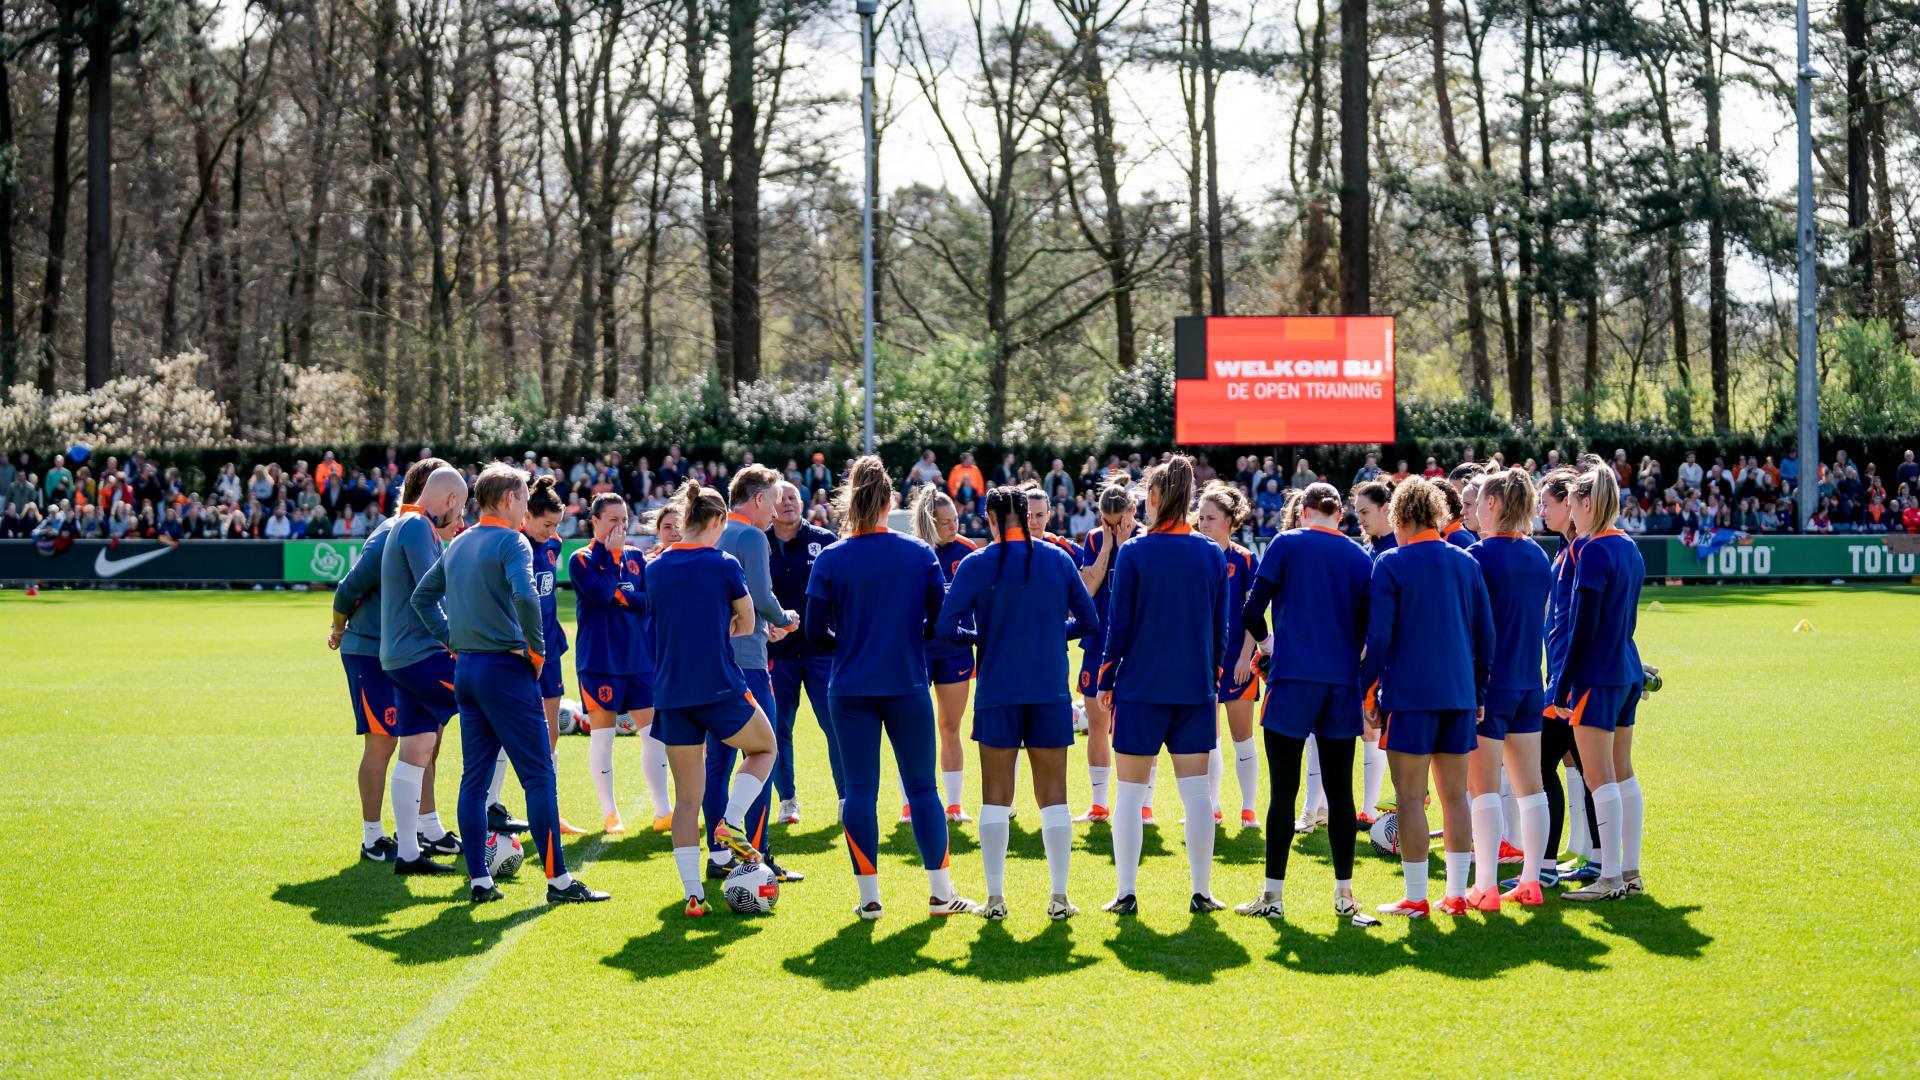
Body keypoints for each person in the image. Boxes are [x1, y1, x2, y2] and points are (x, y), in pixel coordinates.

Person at [409, 464, 608, 905]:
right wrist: (536, 652)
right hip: (505, 670)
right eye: (521, 498)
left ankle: (479, 880)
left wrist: (452, 640)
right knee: (539, 776)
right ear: (505, 500)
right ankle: (558, 881)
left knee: (473, 778)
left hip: (467, 672)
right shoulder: (513, 540)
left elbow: (422, 598)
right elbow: (525, 594)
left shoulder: (458, 542)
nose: (525, 506)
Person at [806, 457, 975, 920]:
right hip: (905, 683)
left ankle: (869, 899)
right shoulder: (918, 553)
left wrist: (856, 641)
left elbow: (816, 635)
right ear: (889, 500)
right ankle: (941, 893)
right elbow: (941, 626)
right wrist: (902, 636)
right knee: (922, 788)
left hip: (850, 687)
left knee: (859, 792)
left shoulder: (830, 557)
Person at [936, 486, 1101, 920]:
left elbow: (944, 626)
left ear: (990, 519)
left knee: (994, 796)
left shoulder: (976, 563)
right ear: (1028, 515)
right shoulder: (1058, 559)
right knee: (1055, 797)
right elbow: (1089, 621)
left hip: (998, 691)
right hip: (1049, 689)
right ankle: (1060, 897)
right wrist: (1049, 633)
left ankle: (995, 899)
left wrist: (982, 638)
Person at [1096, 455, 1230, 915]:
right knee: (1197, 796)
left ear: (1153, 498)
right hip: (1193, 690)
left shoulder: (1133, 552)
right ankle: (1201, 891)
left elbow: (1119, 625)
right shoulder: (1212, 553)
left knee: (1130, 795)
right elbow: (1221, 629)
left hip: (1140, 689)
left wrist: (1106, 676)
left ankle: (1126, 892)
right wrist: (1210, 677)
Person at [1235, 481, 1372, 919]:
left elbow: (1251, 612)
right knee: (1341, 792)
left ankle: (1273, 897)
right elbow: (1369, 630)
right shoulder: (1357, 555)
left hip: (1293, 679)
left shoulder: (1287, 543)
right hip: (1340, 684)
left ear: (1303, 511)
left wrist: (1269, 646)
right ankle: (1345, 895)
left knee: (1283, 793)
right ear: (1339, 515)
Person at [645, 481, 782, 917]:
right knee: (765, 747)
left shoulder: (655, 567)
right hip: (719, 683)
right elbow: (746, 621)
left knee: (687, 799)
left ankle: (693, 896)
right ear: (719, 520)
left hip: (672, 690)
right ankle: (733, 822)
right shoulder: (723, 562)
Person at [1360, 476, 1494, 918]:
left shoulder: (1392, 563)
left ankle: (1417, 897)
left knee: (1411, 798)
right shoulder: (1466, 562)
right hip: (1457, 695)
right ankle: (1456, 894)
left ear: (1398, 517)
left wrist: (1365, 688)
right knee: (1457, 797)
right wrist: (1476, 691)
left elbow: (1378, 639)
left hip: (1411, 698)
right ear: (1436, 514)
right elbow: (1485, 638)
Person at [327, 458, 441, 863]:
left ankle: (428, 826)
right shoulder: (393, 533)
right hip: (371, 651)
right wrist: (339, 629)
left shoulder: (427, 532)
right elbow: (347, 588)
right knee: (384, 740)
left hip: (408, 652)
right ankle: (373, 836)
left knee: (424, 738)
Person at [1553, 465, 1647, 902]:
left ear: (1587, 503)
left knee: (1600, 777)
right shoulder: (1629, 546)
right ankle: (1629, 871)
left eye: (1571, 503)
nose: (1569, 513)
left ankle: (1609, 877)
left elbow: (1582, 629)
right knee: (1623, 774)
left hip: (1597, 674)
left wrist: (1561, 687)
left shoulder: (1592, 551)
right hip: (1626, 669)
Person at [707, 464, 804, 884]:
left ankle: (716, 854)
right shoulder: (750, 535)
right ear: (759, 498)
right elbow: (762, 597)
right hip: (748, 662)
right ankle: (757, 854)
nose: (777, 511)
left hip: (714, 662)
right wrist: (785, 617)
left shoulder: (715, 532)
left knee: (717, 762)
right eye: (774, 499)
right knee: (763, 753)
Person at [1467, 467, 1555, 909]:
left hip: (1488, 687)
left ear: (1496, 504)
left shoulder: (1477, 555)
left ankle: (1485, 886)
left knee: (1481, 788)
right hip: (1527, 683)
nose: (1476, 509)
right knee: (1530, 788)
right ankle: (1531, 881)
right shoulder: (1539, 556)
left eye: (1480, 500)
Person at [378, 461, 469, 876]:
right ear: (450, 500)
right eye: (461, 508)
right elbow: (427, 594)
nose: (460, 518)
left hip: (399, 656)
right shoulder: (417, 528)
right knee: (496, 706)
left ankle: (409, 853)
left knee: (416, 747)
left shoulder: (407, 525)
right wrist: (457, 639)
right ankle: (489, 821)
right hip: (420, 653)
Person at [570, 493, 652, 836]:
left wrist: (623, 595)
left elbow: (649, 601)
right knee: (603, 739)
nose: (620, 526)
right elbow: (601, 594)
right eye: (613, 520)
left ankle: (663, 810)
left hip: (639, 659)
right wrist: (614, 559)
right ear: (596, 522)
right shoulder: (581, 559)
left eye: (624, 519)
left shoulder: (637, 557)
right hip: (600, 660)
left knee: (654, 736)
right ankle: (610, 813)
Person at [768, 480, 842, 815]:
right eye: (781, 499)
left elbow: (843, 596)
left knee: (835, 726)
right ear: (769, 504)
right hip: (775, 655)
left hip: (820, 652)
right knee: (778, 729)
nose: (788, 504)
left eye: (793, 498)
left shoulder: (825, 542)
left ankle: (845, 798)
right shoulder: (757, 542)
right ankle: (787, 800)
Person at [521, 476, 588, 837]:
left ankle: (549, 813)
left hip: (549, 648)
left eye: (556, 525)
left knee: (550, 734)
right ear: (526, 516)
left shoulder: (553, 546)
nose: (552, 531)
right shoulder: (514, 545)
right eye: (547, 524)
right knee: (508, 733)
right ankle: (495, 811)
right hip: (517, 653)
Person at [1192, 481, 1260, 829]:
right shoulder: (1192, 554)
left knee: (1242, 737)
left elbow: (1254, 614)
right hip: (1201, 661)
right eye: (1200, 517)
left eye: (1211, 518)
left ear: (1230, 521)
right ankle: (1213, 807)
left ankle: (1248, 809)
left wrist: (1244, 657)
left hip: (1236, 660)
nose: (1203, 524)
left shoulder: (1245, 559)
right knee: (1209, 738)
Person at [1071, 481, 1138, 823]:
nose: (1112, 527)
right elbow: (1087, 589)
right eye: (1107, 521)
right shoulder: (1095, 539)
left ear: (1132, 512)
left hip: (1136, 644)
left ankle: (1142, 806)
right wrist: (1106, 548)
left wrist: (1125, 548)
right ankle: (1099, 803)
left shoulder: (1145, 539)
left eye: (1118, 521)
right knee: (1097, 721)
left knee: (1135, 723)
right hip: (1099, 641)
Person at [911, 484, 978, 823]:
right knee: (914, 727)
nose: (955, 526)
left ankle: (953, 804)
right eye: (947, 522)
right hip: (918, 652)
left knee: (950, 726)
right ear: (930, 523)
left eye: (956, 520)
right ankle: (912, 800)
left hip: (956, 651)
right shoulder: (913, 552)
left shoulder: (967, 551)